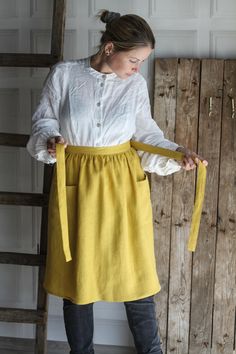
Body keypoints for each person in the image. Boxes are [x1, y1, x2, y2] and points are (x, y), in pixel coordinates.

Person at [27, 10, 207, 354]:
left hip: (123, 186)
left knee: (135, 277)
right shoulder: (64, 75)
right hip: (76, 183)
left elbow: (147, 134)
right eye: (134, 59)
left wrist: (177, 153)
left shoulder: (135, 85)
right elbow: (44, 120)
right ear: (109, 48)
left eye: (142, 61)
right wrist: (51, 139)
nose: (138, 68)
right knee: (78, 280)